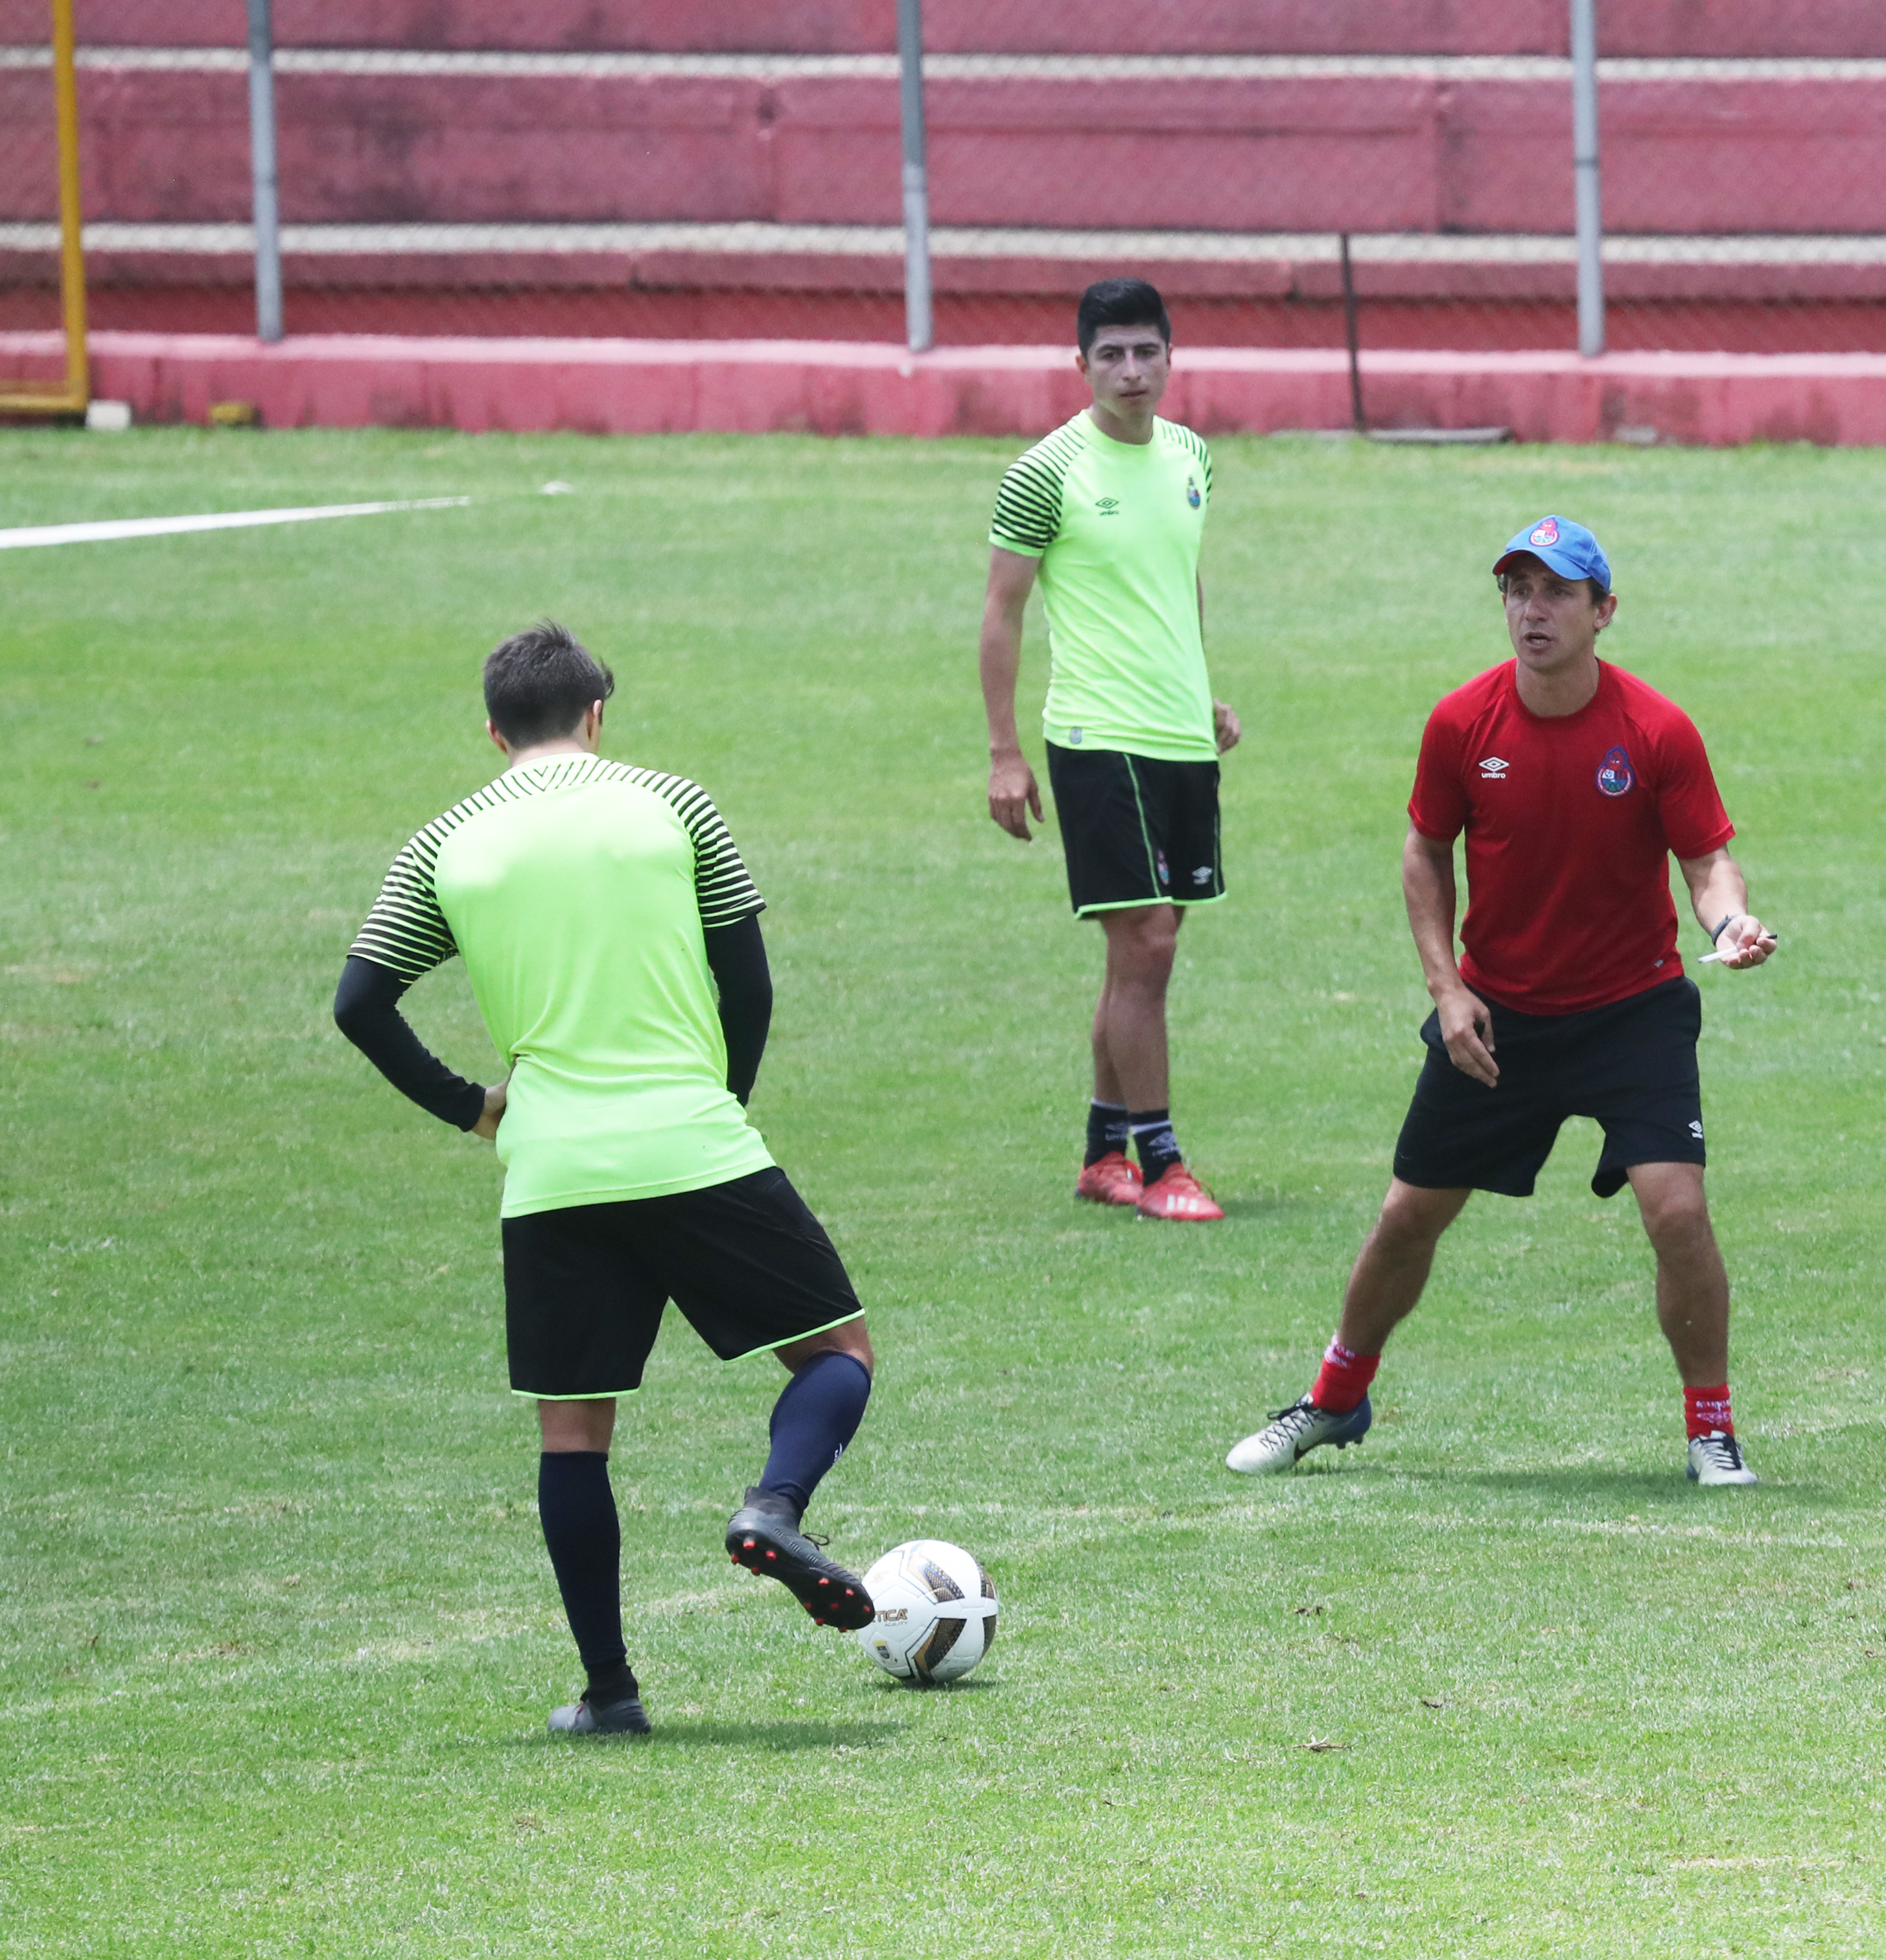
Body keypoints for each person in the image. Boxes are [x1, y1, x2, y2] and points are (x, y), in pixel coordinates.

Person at [331, 622, 882, 1738]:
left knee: (573, 1437)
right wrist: (723, 1098)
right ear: (598, 715)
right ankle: (773, 1506)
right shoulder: (676, 803)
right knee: (836, 1352)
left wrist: (474, 1106)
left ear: (494, 731)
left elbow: (358, 1003)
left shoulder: (447, 838)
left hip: (551, 1165)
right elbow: (748, 981)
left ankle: (610, 1692)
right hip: (692, 1137)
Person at [1223, 515, 1778, 1486]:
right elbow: (1425, 852)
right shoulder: (1460, 724)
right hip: (1497, 1018)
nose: (1533, 610)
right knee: (1407, 1218)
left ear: (1603, 612)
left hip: (1632, 1011)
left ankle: (1712, 1427)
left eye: (1557, 592)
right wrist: (1447, 991)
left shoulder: (1656, 730)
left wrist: (1730, 926)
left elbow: (1707, 861)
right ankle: (1334, 1402)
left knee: (1677, 1213)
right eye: (1518, 590)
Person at [980, 275, 1238, 1223]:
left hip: (1176, 735)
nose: (1132, 371)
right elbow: (1002, 614)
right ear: (1081, 364)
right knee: (1149, 940)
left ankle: (1102, 1151)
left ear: (1171, 355)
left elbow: (1176, 580)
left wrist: (1200, 690)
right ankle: (1164, 1164)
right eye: (1111, 355)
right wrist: (1007, 755)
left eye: (1146, 352)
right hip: (1095, 736)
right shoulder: (1046, 471)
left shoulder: (1192, 457)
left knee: (1140, 960)